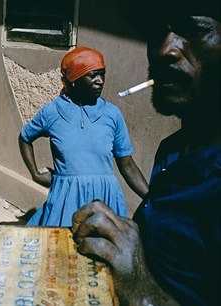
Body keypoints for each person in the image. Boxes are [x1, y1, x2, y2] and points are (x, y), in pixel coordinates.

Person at [72, 1, 220, 305]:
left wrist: (140, 290)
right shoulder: (174, 149)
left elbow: (125, 163)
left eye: (193, 30)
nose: (164, 49)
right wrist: (125, 234)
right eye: (157, 33)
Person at [18, 46, 148, 227]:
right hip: (67, 199)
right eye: (92, 75)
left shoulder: (112, 114)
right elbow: (25, 137)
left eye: (102, 74)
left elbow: (127, 165)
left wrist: (152, 198)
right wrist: (34, 173)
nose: (100, 81)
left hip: (105, 200)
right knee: (62, 251)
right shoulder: (53, 112)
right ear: (74, 80)